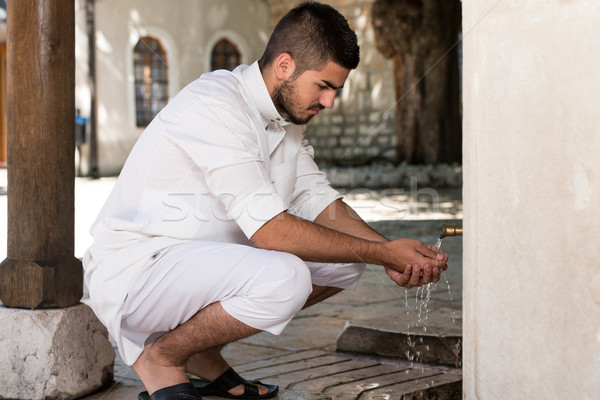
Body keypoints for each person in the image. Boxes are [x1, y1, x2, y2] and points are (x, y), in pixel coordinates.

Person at [83, 2, 448, 400]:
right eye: (324, 86)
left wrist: (391, 252)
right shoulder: (217, 103)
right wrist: (385, 255)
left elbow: (321, 202)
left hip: (197, 264)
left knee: (347, 262)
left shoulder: (285, 119)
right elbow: (271, 232)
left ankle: (201, 350)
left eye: (335, 91)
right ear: (285, 66)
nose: (329, 102)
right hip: (141, 271)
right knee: (285, 277)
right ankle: (163, 356)